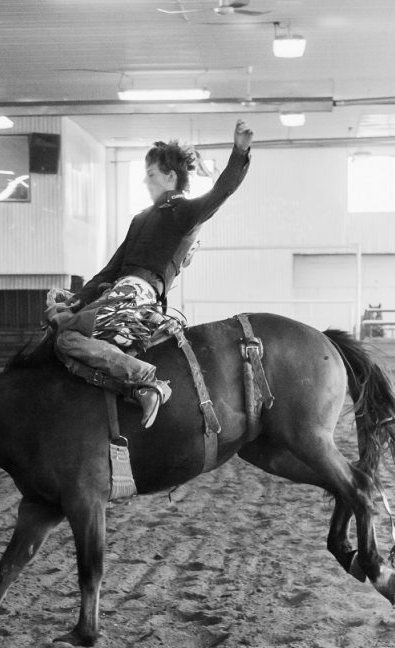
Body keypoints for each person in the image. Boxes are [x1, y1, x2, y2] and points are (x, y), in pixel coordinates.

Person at [50, 120, 253, 428]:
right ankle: (131, 390)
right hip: (118, 291)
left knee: (67, 337)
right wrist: (76, 302)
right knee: (62, 335)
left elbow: (221, 190)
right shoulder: (140, 219)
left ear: (171, 176)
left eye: (151, 175)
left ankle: (147, 379)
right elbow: (111, 269)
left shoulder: (184, 213)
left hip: (139, 295)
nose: (146, 182)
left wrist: (240, 152)